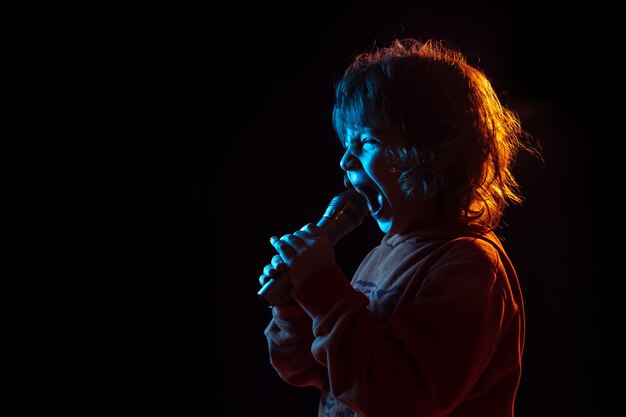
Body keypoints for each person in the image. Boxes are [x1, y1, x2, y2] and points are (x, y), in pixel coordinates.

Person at [259, 38, 538, 417]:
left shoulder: (471, 267)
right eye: (346, 143)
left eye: (367, 141)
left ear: (431, 154)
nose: (344, 161)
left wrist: (322, 288)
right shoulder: (383, 255)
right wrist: (295, 305)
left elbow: (402, 396)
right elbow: (314, 371)